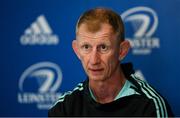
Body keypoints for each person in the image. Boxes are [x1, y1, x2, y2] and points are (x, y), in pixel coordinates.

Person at [48, 7, 173, 117]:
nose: (94, 60)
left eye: (103, 47)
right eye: (86, 47)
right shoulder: (64, 109)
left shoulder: (149, 106)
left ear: (122, 51)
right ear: (76, 50)